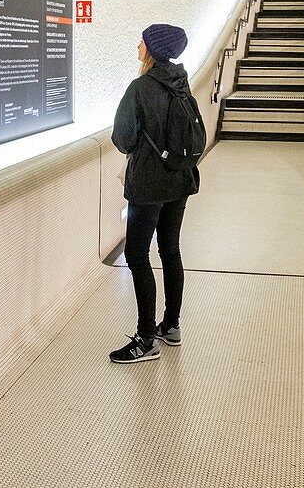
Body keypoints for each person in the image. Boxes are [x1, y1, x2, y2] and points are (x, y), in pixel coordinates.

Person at [109, 23, 201, 364]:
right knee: (170, 251)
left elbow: (123, 138)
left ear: (152, 49)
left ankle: (146, 338)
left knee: (136, 254)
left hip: (148, 184)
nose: (138, 46)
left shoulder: (140, 87)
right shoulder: (182, 84)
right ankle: (171, 326)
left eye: (142, 42)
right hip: (180, 180)